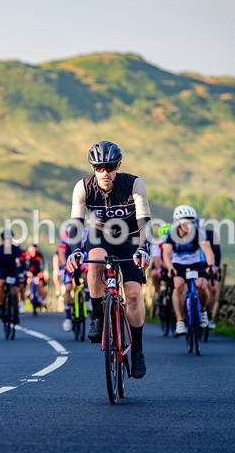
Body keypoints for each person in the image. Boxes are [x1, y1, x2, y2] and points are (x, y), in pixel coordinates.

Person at [64, 141, 151, 379]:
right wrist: (74, 251)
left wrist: (144, 248)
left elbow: (144, 221)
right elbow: (76, 223)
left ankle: (138, 351)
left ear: (118, 165)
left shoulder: (133, 183)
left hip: (131, 238)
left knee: (133, 294)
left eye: (110, 166)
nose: (105, 172)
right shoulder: (83, 188)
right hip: (100, 236)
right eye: (99, 167)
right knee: (95, 259)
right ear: (93, 167)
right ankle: (98, 317)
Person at [161, 205, 216, 335]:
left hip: (196, 262)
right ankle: (180, 321)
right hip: (178, 263)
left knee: (202, 286)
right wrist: (170, 268)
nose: (189, 224)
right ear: (178, 222)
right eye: (185, 221)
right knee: (178, 286)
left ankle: (203, 312)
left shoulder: (198, 233)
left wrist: (210, 265)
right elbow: (166, 255)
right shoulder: (171, 235)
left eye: (191, 221)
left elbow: (208, 252)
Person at [0, 229, 24, 324]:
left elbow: (21, 260)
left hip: (13, 271)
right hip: (2, 271)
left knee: (15, 292)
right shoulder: (0, 249)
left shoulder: (15, 249)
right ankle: (0, 307)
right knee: (0, 284)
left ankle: (16, 312)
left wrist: (23, 270)